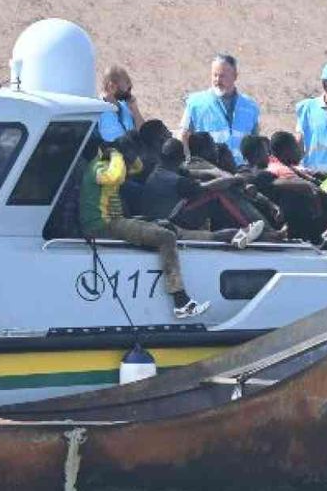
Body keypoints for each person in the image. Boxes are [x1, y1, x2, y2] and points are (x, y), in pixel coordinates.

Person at [80, 142, 263, 319]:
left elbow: (137, 168)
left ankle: (229, 236)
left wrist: (123, 156)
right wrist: (116, 155)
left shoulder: (112, 165)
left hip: (116, 220)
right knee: (166, 237)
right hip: (103, 225)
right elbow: (114, 177)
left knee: (169, 228)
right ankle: (181, 301)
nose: (129, 160)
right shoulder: (100, 167)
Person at [178, 54, 261, 166]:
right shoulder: (195, 103)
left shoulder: (250, 106)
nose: (217, 80)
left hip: (241, 171)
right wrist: (189, 163)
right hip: (209, 172)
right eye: (215, 75)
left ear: (235, 76)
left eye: (222, 76)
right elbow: (183, 136)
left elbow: (255, 140)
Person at [97, 65, 145, 141]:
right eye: (128, 89)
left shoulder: (126, 106)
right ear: (112, 87)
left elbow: (144, 132)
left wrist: (135, 110)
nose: (129, 93)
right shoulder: (98, 111)